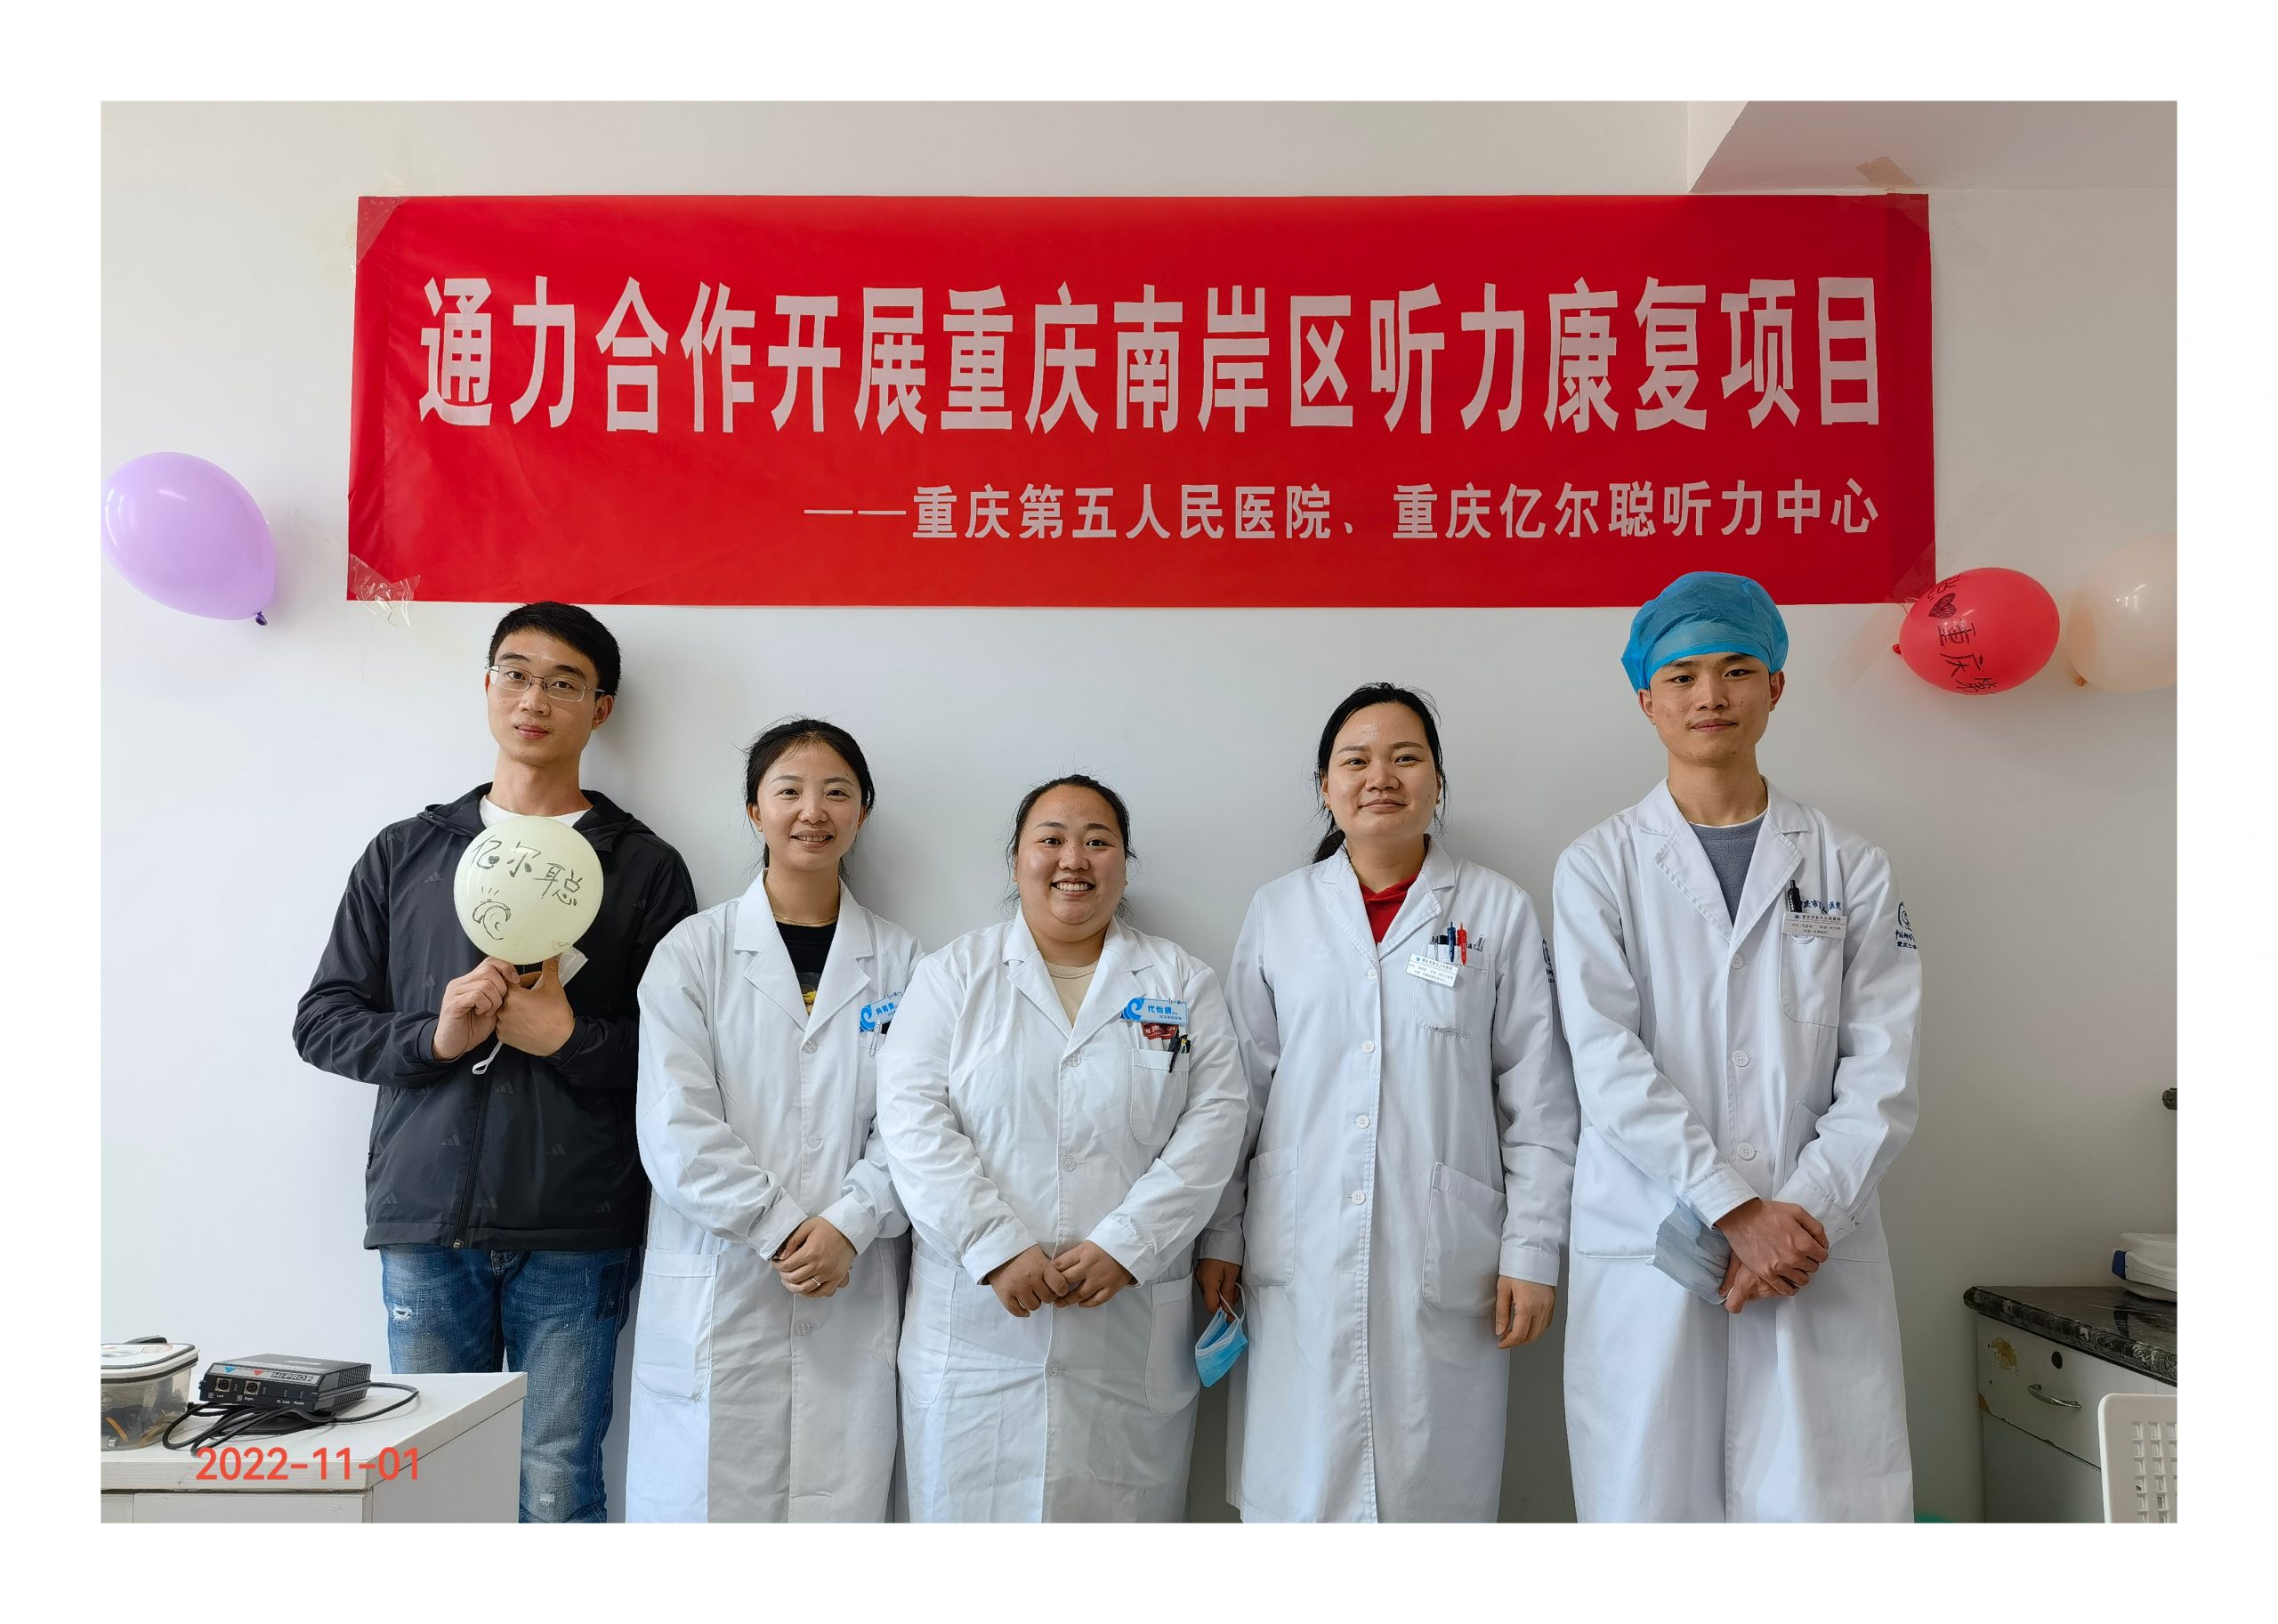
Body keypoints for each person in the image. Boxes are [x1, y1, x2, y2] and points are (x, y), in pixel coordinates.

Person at [292, 601, 696, 1523]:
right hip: (428, 1218)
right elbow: (322, 1021)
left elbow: (688, 1057)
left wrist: (569, 1039)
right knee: (433, 1490)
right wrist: (432, 1038)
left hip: (578, 1224)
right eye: (515, 674)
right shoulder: (408, 852)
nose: (533, 699)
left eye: (563, 682)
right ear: (486, 687)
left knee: (557, 1482)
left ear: (600, 708)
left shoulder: (643, 867)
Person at [1552, 571, 1922, 1522]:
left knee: (1817, 1513)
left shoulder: (1851, 865)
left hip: (1810, 1243)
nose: (1709, 695)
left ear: (1776, 686)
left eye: (1736, 670)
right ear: (1646, 699)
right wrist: (1731, 1205)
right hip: (1653, 1235)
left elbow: (1882, 1073)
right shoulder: (1598, 865)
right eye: (1681, 676)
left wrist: (1795, 1215)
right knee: (1649, 1507)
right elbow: (1606, 1059)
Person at [1198, 683, 1578, 1522]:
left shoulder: (1497, 910)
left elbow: (1539, 1099)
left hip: (1445, 1253)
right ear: (1325, 786)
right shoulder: (1279, 910)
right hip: (1298, 1243)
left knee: (1430, 1493)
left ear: (1437, 780)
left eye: (1406, 757)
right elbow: (1240, 1093)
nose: (1382, 777)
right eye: (1357, 760)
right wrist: (1221, 1231)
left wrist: (1533, 1249)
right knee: (1300, 1492)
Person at [876, 776, 1247, 1521]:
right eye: (1051, 839)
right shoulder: (953, 975)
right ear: (1017, 858)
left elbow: (1216, 1123)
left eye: (1097, 840)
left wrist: (1128, 1243)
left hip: (1124, 1324)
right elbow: (911, 1121)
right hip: (976, 1331)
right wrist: (994, 1245)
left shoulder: (1182, 981)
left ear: (1124, 864)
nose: (1073, 858)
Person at [625, 719, 921, 1522]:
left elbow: (917, 1123)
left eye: (836, 792)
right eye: (789, 791)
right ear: (755, 810)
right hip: (724, 1278)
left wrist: (851, 1223)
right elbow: (676, 1124)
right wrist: (785, 1227)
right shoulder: (693, 953)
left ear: (862, 811)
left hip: (851, 1277)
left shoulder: (904, 962)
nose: (812, 811)